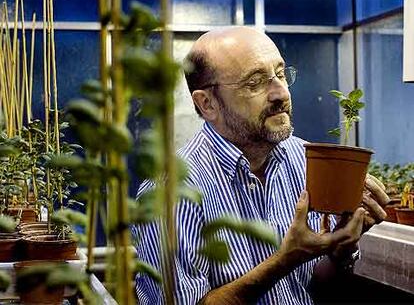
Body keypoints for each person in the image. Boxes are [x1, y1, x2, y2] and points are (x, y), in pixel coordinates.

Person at [133, 26, 389, 304]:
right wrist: (285, 259)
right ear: (207, 104)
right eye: (254, 83)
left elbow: (310, 288)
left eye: (280, 74)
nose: (280, 93)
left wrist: (339, 251)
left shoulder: (305, 160)